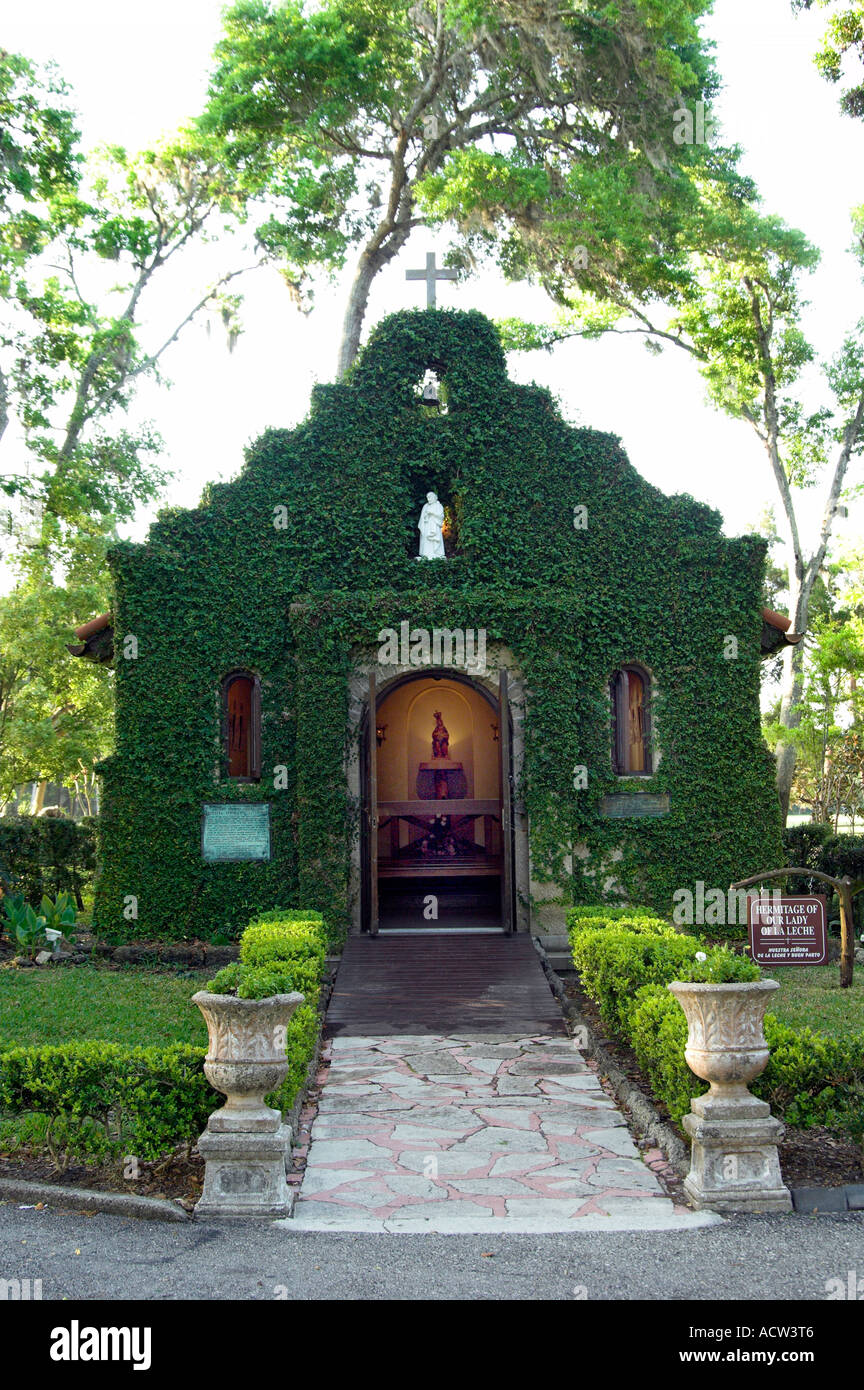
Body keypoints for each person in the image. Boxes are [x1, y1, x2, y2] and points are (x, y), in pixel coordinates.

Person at [417, 491, 445, 559]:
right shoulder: (425, 506)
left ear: (435, 498)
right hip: (427, 525)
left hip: (435, 525)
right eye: (427, 498)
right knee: (427, 540)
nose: (428, 499)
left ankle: (436, 553)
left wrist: (432, 513)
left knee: (434, 540)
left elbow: (441, 516)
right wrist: (426, 517)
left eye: (430, 497)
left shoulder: (439, 506)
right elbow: (422, 517)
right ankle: (426, 554)